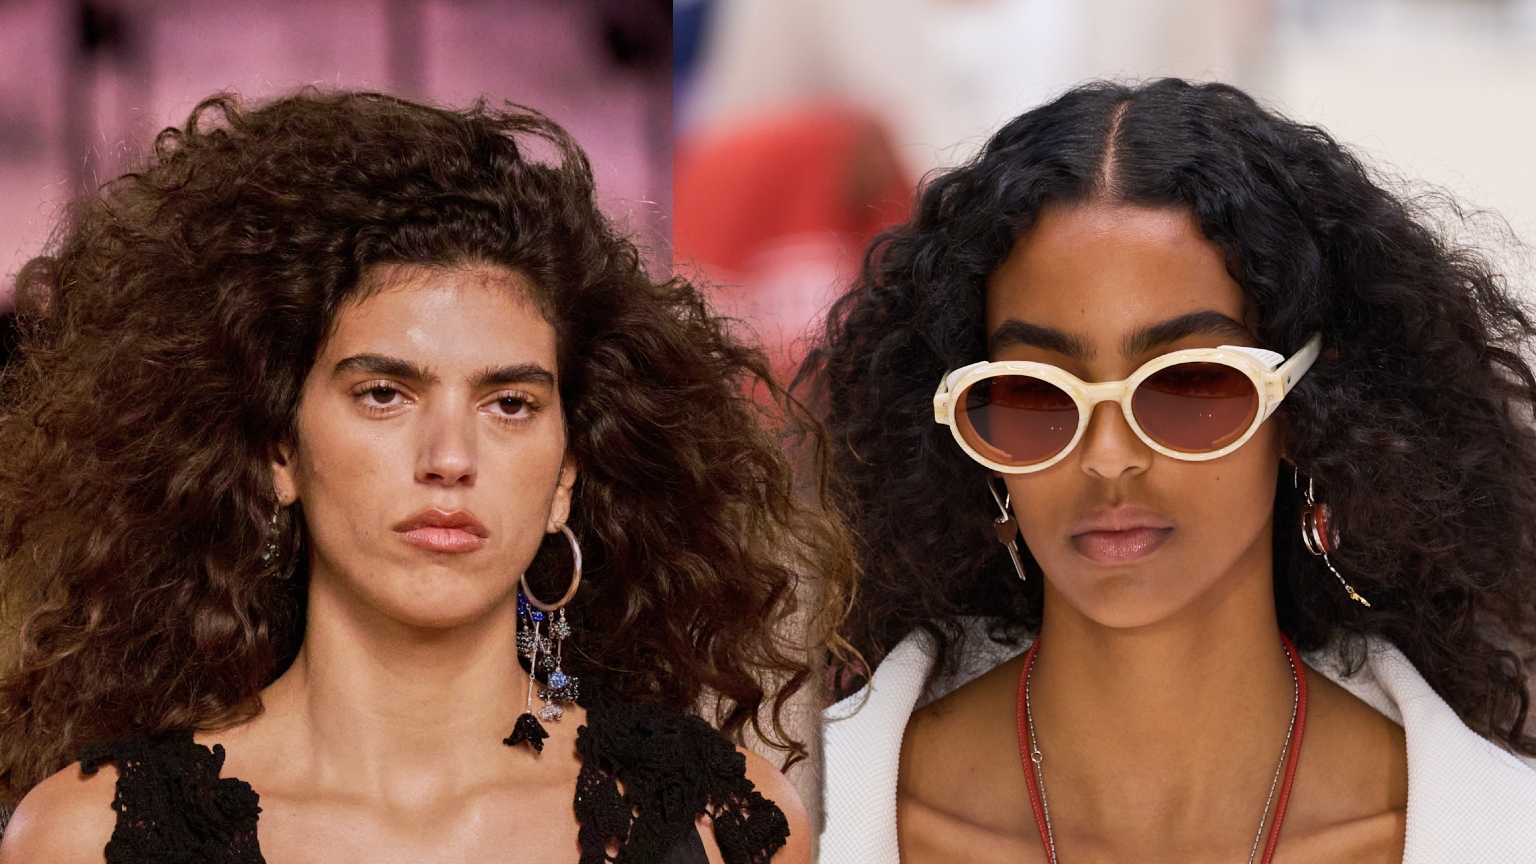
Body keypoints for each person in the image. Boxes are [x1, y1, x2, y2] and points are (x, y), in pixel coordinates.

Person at [0, 91, 845, 863]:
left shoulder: (720, 824)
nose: (450, 457)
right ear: (278, 452)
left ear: (566, 477)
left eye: (509, 403)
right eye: (383, 394)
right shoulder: (85, 836)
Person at [804, 79, 1536, 863]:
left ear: (1306, 412)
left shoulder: (1495, 832)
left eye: (1191, 384)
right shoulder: (783, 826)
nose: (1109, 456)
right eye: (1032, 395)